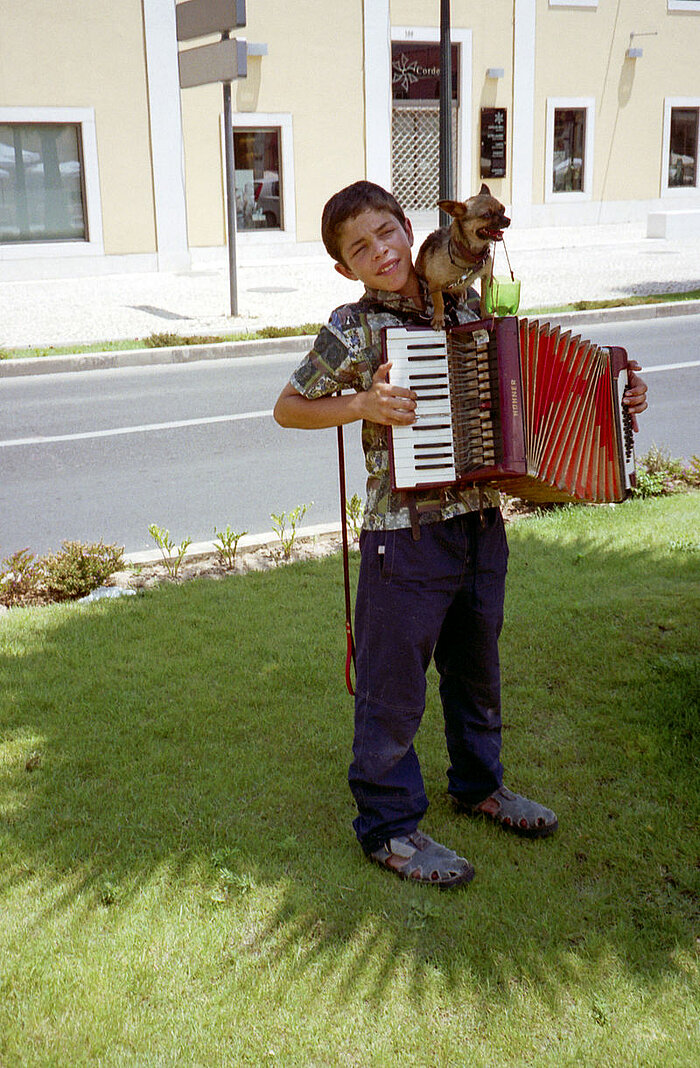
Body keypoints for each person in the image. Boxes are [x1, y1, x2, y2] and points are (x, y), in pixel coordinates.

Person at [273, 181, 649, 889]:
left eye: (387, 233)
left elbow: (533, 389)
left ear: (406, 228)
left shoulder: (467, 304)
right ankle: (387, 828)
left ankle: (479, 785)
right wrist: (362, 401)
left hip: (479, 525)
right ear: (343, 268)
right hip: (403, 538)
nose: (381, 252)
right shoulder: (351, 327)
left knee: (477, 672)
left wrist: (617, 390)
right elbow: (288, 408)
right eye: (360, 248)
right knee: (391, 691)